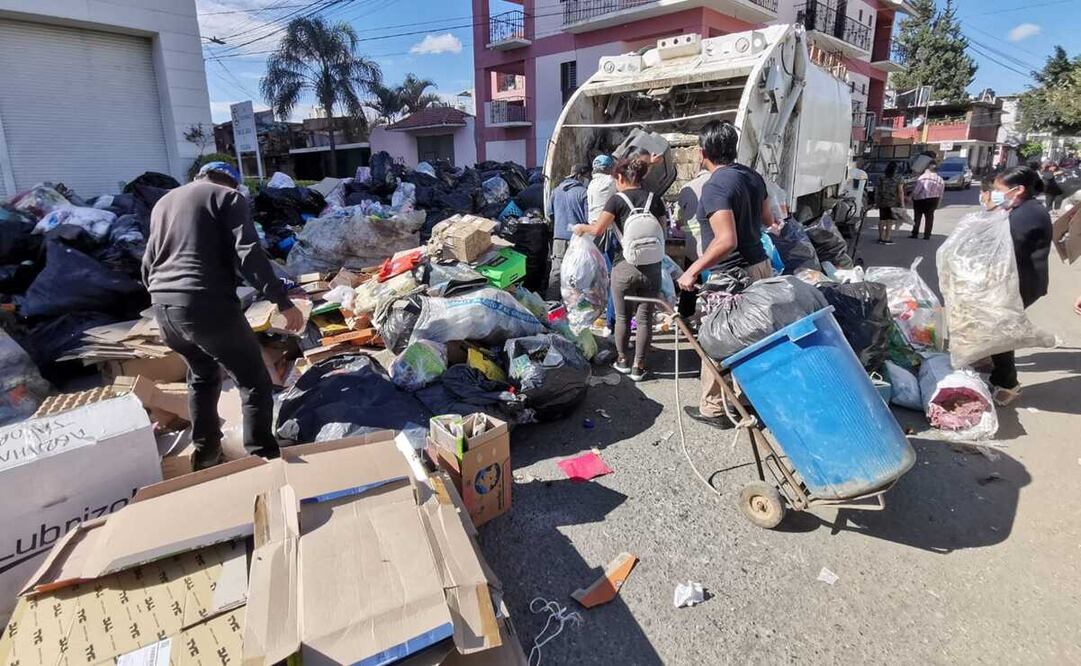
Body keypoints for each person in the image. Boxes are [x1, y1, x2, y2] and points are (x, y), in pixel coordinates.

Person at [142, 162, 304, 470]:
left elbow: (148, 262)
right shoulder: (228, 198)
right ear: (234, 183)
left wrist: (163, 296)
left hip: (163, 307)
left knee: (201, 378)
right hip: (206, 305)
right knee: (254, 380)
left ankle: (205, 455)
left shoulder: (164, 201)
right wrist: (283, 302)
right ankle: (263, 459)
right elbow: (249, 254)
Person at [678, 120, 776, 428]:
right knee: (755, 337)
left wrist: (691, 270)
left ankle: (715, 408)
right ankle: (747, 397)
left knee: (716, 340)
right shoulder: (752, 177)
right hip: (759, 266)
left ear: (702, 152)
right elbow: (768, 220)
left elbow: (725, 240)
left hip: (731, 276)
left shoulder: (715, 185)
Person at [571, 155, 667, 381]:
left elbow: (598, 230)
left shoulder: (616, 200)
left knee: (623, 318)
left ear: (621, 177)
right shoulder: (656, 199)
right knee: (645, 319)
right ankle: (639, 366)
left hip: (624, 266)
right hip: (652, 268)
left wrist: (580, 228)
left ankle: (622, 360)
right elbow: (663, 231)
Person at [986, 165, 1052, 405]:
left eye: (999, 190)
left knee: (1000, 330)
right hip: (1018, 280)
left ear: (1018, 190)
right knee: (996, 325)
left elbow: (1003, 246)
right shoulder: (1024, 208)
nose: (995, 193)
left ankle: (1007, 382)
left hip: (1022, 283)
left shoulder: (1028, 214)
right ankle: (990, 362)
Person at [545, 163, 591, 299]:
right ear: (579, 175)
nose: (587, 179)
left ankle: (550, 303)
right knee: (578, 272)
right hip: (578, 239)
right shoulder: (584, 193)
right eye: (586, 176)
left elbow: (549, 213)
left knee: (557, 272)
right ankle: (575, 304)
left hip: (558, 238)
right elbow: (588, 218)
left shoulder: (556, 191)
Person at [910, 161, 944, 239]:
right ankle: (927, 235)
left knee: (917, 217)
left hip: (920, 200)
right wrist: (938, 203)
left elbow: (917, 190)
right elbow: (941, 193)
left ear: (927, 168)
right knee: (929, 217)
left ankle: (915, 233)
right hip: (933, 200)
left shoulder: (923, 177)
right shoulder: (940, 180)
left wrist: (911, 197)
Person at [875, 161, 905, 245]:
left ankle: (881, 237)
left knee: (882, 219)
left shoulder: (881, 177)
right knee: (889, 221)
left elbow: (877, 190)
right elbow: (900, 191)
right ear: (896, 169)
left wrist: (876, 201)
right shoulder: (898, 178)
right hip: (893, 202)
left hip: (883, 201)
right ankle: (887, 238)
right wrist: (902, 203)